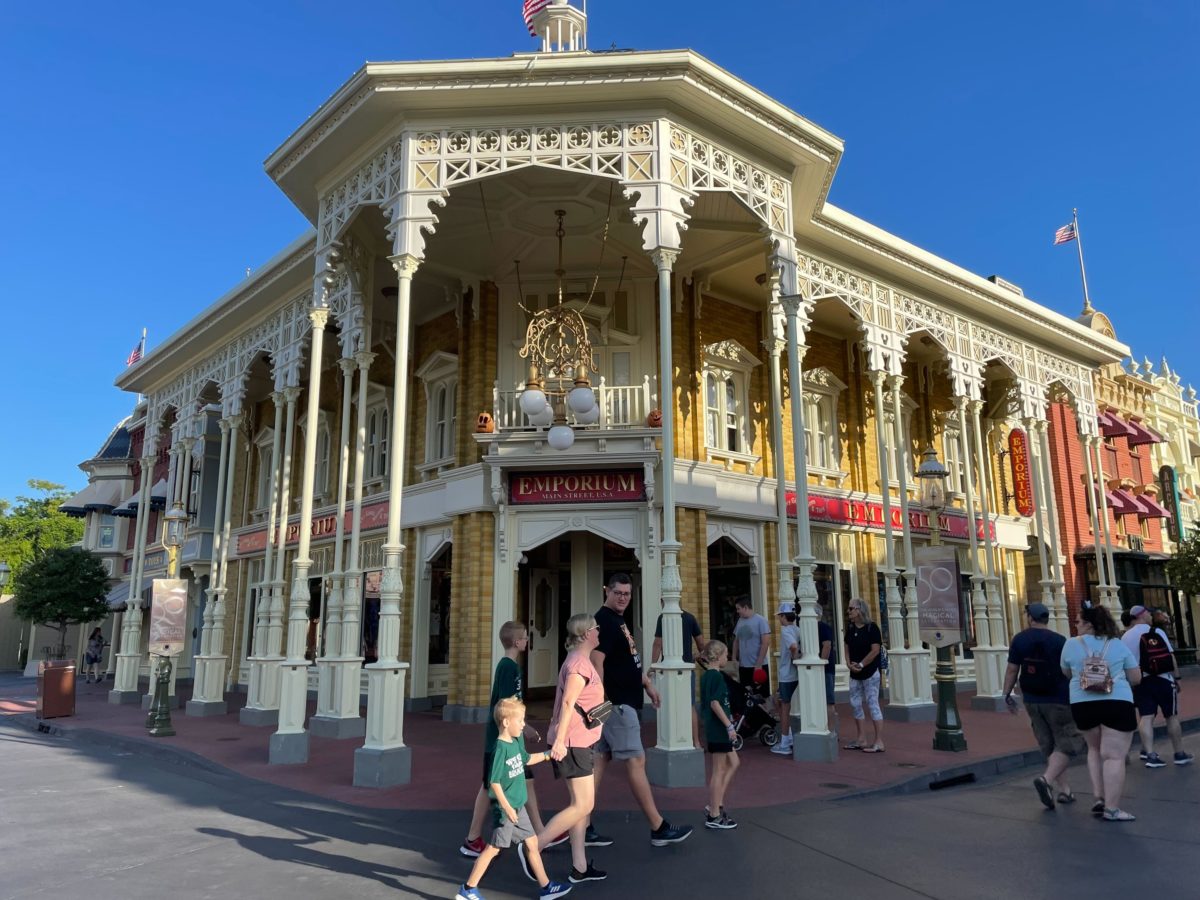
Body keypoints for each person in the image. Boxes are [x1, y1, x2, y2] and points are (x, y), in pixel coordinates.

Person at [591, 573, 693, 848]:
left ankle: (582, 823)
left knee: (599, 760)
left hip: (619, 702)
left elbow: (629, 660)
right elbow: (597, 661)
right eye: (618, 593)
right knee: (636, 761)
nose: (623, 597)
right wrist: (601, 701)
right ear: (606, 591)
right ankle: (658, 826)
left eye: (627, 593)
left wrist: (647, 684)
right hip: (616, 704)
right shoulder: (604, 621)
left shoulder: (618, 620)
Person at [456, 697, 572, 900]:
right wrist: (506, 808)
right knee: (494, 849)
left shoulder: (516, 742)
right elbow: (493, 782)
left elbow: (527, 759)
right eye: (520, 721)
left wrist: (548, 754)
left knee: (533, 844)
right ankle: (467, 889)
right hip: (507, 810)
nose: (523, 725)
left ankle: (546, 887)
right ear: (507, 722)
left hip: (519, 807)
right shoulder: (500, 748)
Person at [461, 621, 557, 859]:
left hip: (512, 742)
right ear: (517, 642)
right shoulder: (508, 669)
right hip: (501, 743)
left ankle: (540, 831)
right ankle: (473, 838)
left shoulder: (510, 667)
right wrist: (526, 728)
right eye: (525, 637)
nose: (528, 640)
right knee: (488, 786)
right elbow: (506, 706)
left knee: (527, 780)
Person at [533, 614, 607, 885]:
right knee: (585, 804)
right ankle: (534, 846)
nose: (599, 632)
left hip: (581, 740)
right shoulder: (578, 663)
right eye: (596, 628)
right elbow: (567, 703)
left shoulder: (580, 660)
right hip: (574, 742)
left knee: (580, 806)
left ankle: (579, 866)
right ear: (587, 633)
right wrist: (562, 740)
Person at [1060, 604, 1143, 822]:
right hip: (1116, 701)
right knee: (1114, 756)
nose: (1075, 625)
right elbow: (1136, 678)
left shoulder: (1070, 645)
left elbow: (1067, 672)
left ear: (1089, 623)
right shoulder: (1117, 645)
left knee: (1094, 749)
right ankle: (1112, 808)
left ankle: (1099, 796)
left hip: (1082, 703)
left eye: (1078, 621)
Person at [1003, 602, 1085, 809]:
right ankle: (1047, 780)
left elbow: (1012, 669)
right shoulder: (1059, 640)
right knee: (1069, 741)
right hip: (1057, 698)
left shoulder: (1019, 639)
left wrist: (1007, 693)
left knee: (1049, 744)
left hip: (1032, 700)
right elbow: (1069, 670)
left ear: (1030, 618)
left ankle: (1064, 790)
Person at [1120, 605, 1192, 768]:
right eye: (1148, 614)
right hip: (1163, 679)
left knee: (1146, 716)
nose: (1151, 616)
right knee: (1171, 716)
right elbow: (1170, 656)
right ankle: (1179, 753)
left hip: (1141, 681)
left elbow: (1125, 662)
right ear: (1142, 615)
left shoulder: (1126, 637)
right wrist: (1177, 678)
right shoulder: (1158, 633)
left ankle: (1150, 754)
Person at [697, 640, 740, 829]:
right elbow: (715, 703)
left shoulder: (707, 676)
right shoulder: (716, 677)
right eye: (725, 654)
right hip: (718, 728)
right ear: (718, 656)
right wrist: (729, 726)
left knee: (734, 762)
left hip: (715, 727)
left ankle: (716, 802)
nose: (727, 657)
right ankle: (714, 814)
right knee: (718, 770)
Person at [650, 605, 705, 749]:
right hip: (687, 668)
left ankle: (668, 740)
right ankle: (696, 742)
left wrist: (653, 666)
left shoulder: (663, 617)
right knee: (690, 705)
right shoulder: (690, 618)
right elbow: (701, 643)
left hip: (668, 670)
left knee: (667, 704)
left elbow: (657, 644)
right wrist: (699, 655)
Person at [843, 598, 884, 752]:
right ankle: (861, 738)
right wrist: (848, 663)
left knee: (873, 703)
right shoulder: (851, 627)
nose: (848, 611)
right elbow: (846, 646)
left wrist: (861, 664)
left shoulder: (872, 628)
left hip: (870, 672)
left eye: (851, 608)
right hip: (854, 672)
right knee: (855, 704)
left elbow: (875, 650)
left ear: (860, 610)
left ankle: (879, 741)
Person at [770, 603, 800, 756]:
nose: (778, 619)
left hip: (787, 675)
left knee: (783, 705)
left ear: (783, 616)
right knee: (777, 700)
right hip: (791, 675)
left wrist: (795, 659)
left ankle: (785, 741)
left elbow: (793, 647)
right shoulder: (797, 629)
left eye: (779, 616)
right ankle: (787, 736)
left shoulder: (786, 631)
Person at [731, 597, 770, 687]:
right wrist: (734, 658)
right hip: (743, 666)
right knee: (746, 694)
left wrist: (759, 664)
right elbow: (736, 641)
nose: (737, 611)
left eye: (738, 609)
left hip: (758, 666)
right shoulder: (740, 621)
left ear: (745, 607)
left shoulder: (761, 621)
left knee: (761, 696)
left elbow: (765, 643)